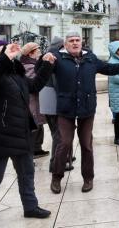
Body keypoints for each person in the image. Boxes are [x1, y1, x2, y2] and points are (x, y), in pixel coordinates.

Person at [0, 41, 56, 228]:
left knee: (27, 172)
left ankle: (30, 207)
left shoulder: (15, 72)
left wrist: (47, 65)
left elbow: (34, 86)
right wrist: (4, 58)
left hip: (20, 131)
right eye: (4, 50)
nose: (11, 52)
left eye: (11, 49)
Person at [50, 32, 119, 194]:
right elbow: (40, 72)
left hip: (86, 108)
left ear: (81, 42)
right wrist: (44, 62)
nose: (75, 43)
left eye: (77, 40)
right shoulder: (57, 58)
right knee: (64, 143)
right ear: (65, 44)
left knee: (86, 144)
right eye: (71, 41)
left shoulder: (90, 58)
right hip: (66, 108)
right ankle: (56, 177)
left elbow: (109, 68)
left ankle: (88, 178)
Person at [38, 37, 74, 173]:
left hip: (46, 101)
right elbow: (56, 82)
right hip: (53, 102)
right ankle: (55, 163)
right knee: (58, 135)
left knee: (56, 133)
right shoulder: (55, 57)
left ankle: (63, 158)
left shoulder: (46, 56)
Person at [20, 42, 49, 159]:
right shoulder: (28, 66)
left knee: (39, 124)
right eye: (37, 50)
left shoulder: (32, 63)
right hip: (33, 101)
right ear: (31, 53)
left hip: (37, 100)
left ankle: (37, 149)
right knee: (34, 125)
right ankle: (32, 151)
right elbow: (34, 84)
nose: (39, 51)